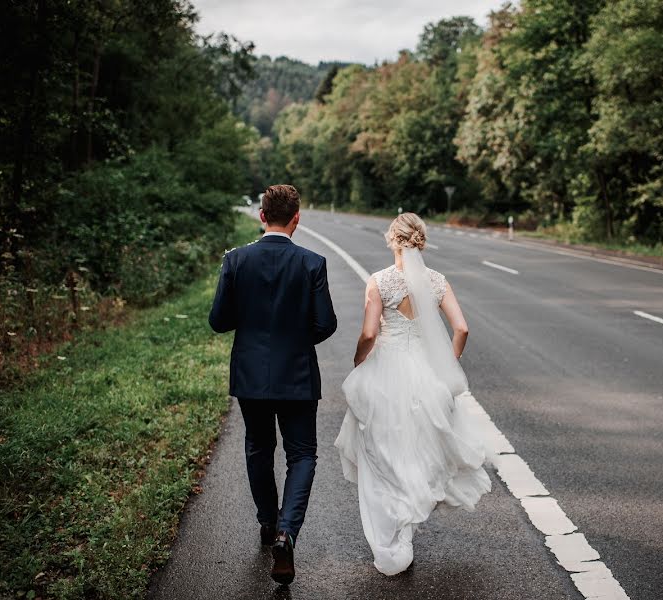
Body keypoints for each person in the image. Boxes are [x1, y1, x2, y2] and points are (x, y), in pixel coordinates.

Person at [334, 212, 491, 576]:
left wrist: (359, 361)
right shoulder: (437, 282)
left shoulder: (379, 282)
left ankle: (388, 539)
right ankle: (406, 525)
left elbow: (370, 334)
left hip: (384, 373)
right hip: (426, 375)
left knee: (381, 454)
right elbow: (462, 328)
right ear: (421, 240)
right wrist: (447, 365)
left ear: (393, 240)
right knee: (419, 451)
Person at [209, 184, 337, 585]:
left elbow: (218, 321)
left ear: (261, 217)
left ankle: (268, 522)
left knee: (258, 448)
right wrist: (296, 343)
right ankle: (286, 531)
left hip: (250, 375)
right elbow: (326, 324)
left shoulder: (235, 260)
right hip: (297, 373)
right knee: (302, 455)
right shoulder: (312, 263)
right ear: (297, 218)